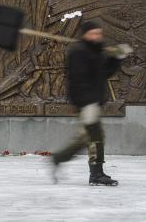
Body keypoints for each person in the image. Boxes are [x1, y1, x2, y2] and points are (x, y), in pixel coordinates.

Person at [52, 20, 132, 186]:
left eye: (99, 33)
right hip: (86, 101)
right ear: (85, 34)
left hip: (93, 100)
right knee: (95, 136)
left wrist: (116, 58)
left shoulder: (94, 51)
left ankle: (59, 158)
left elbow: (104, 73)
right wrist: (87, 102)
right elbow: (78, 79)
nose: (97, 36)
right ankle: (96, 174)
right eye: (93, 33)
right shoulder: (78, 52)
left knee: (87, 137)